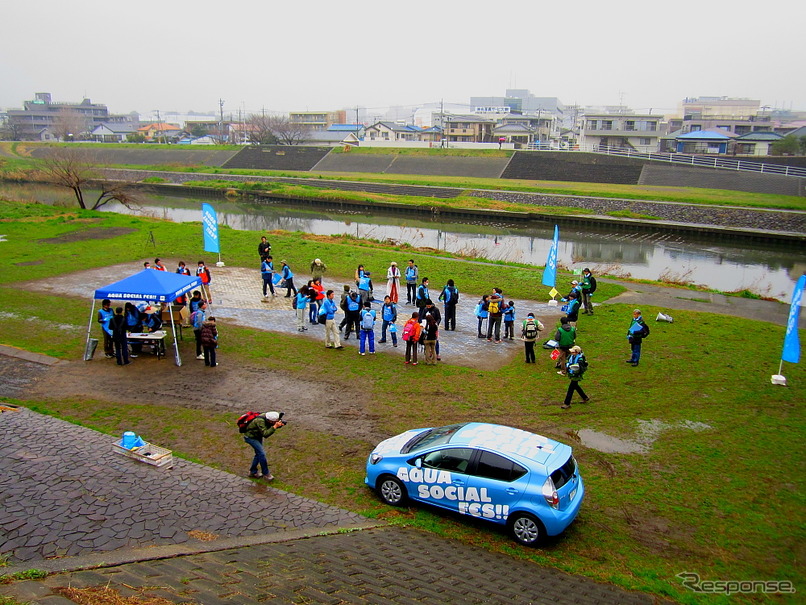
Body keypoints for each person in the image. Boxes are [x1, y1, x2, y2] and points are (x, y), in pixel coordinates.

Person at [243, 411, 285, 481]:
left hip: (257, 436)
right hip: (250, 437)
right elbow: (265, 434)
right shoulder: (260, 421)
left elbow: (268, 427)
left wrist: (277, 426)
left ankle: (253, 472)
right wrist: (274, 427)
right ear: (270, 420)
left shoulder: (266, 418)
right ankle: (266, 474)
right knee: (262, 454)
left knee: (258, 454)